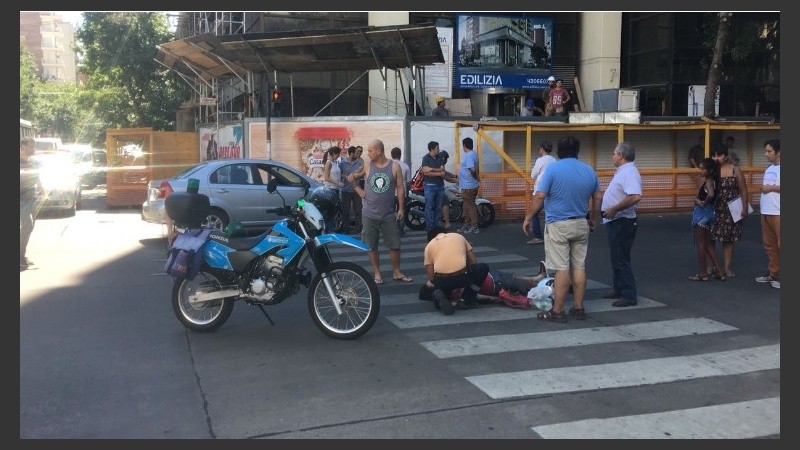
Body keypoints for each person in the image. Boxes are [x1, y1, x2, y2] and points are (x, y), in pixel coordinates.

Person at [522, 135, 602, 323]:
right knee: (579, 266)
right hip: (581, 223)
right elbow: (598, 197)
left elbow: (540, 196)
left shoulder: (553, 169)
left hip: (558, 224)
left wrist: (528, 216)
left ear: (559, 151)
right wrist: (594, 219)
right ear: (577, 151)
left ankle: (557, 311)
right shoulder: (589, 170)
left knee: (561, 268)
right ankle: (578, 307)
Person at [346, 139, 412, 285]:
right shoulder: (367, 166)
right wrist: (358, 190)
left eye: (370, 151)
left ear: (379, 151)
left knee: (395, 245)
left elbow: (400, 188)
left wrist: (401, 208)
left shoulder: (394, 167)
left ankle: (396, 272)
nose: (367, 154)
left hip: (388, 214)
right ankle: (377, 273)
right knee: (371, 245)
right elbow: (352, 177)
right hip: (369, 214)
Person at [599, 142, 643, 307]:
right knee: (617, 257)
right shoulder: (624, 171)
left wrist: (615, 209)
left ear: (621, 156)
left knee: (621, 258)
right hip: (617, 220)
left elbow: (635, 196)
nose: (613, 156)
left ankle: (628, 294)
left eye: (614, 154)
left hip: (621, 221)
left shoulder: (629, 172)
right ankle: (619, 288)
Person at [422, 226, 480, 315]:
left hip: (443, 279)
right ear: (446, 232)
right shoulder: (458, 236)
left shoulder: (429, 246)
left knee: (440, 290)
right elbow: (474, 262)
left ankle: (440, 299)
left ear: (431, 239)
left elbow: (431, 277)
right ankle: (468, 299)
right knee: (483, 268)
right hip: (462, 277)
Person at [711, 143, 749, 278]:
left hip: (731, 209)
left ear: (726, 156)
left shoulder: (735, 170)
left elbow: (743, 189)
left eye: (719, 155)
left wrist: (744, 208)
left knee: (728, 239)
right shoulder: (712, 170)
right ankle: (713, 266)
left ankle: (727, 267)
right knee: (711, 238)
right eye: (714, 155)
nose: (716, 158)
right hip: (715, 208)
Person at [689, 157, 725, 282]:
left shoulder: (708, 181)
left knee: (700, 244)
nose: (700, 170)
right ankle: (718, 271)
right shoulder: (714, 181)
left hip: (701, 213)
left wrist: (701, 202)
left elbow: (710, 194)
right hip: (710, 213)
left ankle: (703, 273)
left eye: (703, 168)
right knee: (708, 244)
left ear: (709, 171)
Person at [755, 139, 780, 289]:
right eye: (765, 151)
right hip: (766, 211)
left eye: (769, 151)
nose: (766, 154)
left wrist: (769, 188)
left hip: (778, 211)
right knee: (769, 245)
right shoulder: (769, 168)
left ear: (778, 152)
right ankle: (774, 273)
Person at [526, 140, 556, 244]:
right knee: (550, 212)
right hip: (552, 190)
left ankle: (538, 236)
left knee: (534, 212)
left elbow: (533, 174)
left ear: (542, 149)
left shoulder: (540, 160)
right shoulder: (554, 160)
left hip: (540, 189)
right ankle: (551, 234)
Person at [20, 137, 41, 271]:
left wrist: (43, 191)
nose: (34, 149)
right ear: (23, 146)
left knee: (30, 225)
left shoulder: (32, 162)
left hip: (32, 197)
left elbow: (36, 177)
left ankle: (21, 255)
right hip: (20, 197)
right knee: (27, 222)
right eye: (31, 146)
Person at [420, 141, 447, 232]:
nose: (438, 150)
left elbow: (443, 169)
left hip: (440, 186)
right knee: (429, 207)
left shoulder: (441, 157)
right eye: (437, 148)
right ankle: (430, 227)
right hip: (430, 187)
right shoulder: (425, 158)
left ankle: (435, 227)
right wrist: (439, 173)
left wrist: (431, 169)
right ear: (432, 149)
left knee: (438, 208)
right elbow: (426, 173)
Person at [457, 137, 480, 234]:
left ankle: (474, 226)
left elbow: (472, 169)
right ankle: (467, 225)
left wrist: (475, 177)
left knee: (470, 206)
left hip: (469, 186)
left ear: (464, 146)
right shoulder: (474, 154)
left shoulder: (468, 155)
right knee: (466, 207)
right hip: (467, 186)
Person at [339, 145, 364, 234]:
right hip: (346, 190)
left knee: (358, 210)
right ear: (351, 153)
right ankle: (346, 228)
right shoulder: (342, 163)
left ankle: (359, 228)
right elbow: (339, 174)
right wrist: (345, 177)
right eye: (356, 153)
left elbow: (362, 174)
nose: (358, 154)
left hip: (356, 190)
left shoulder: (359, 163)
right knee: (345, 211)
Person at [321, 146, 344, 233]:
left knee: (334, 210)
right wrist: (337, 183)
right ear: (333, 154)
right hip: (330, 189)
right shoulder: (328, 163)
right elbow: (326, 177)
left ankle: (331, 228)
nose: (338, 156)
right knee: (330, 210)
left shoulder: (334, 163)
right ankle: (328, 229)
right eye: (337, 154)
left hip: (336, 189)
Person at [390, 146, 411, 236]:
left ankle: (390, 229)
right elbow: (408, 182)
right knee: (401, 210)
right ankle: (400, 230)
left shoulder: (388, 165)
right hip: (402, 193)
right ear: (400, 155)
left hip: (390, 193)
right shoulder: (405, 166)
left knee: (390, 211)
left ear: (391, 155)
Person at [438, 150, 458, 229]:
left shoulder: (437, 163)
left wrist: (454, 176)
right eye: (445, 159)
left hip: (436, 187)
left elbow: (445, 172)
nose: (446, 161)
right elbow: (444, 177)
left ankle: (441, 218)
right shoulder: (440, 163)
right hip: (437, 188)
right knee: (445, 202)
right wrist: (455, 181)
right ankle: (447, 223)